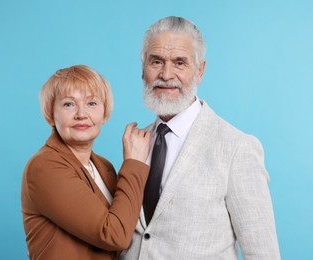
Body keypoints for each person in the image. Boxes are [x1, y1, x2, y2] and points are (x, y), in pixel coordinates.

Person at [120, 16, 280, 259]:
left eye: (180, 63)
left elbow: (263, 253)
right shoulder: (136, 142)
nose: (166, 74)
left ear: (200, 70)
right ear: (143, 68)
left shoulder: (237, 148)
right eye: (156, 61)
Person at [21, 65, 151, 259]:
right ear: (50, 114)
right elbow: (115, 235)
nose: (81, 114)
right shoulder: (44, 167)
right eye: (68, 104)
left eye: (91, 103)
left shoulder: (104, 167)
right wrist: (133, 163)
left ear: (104, 113)